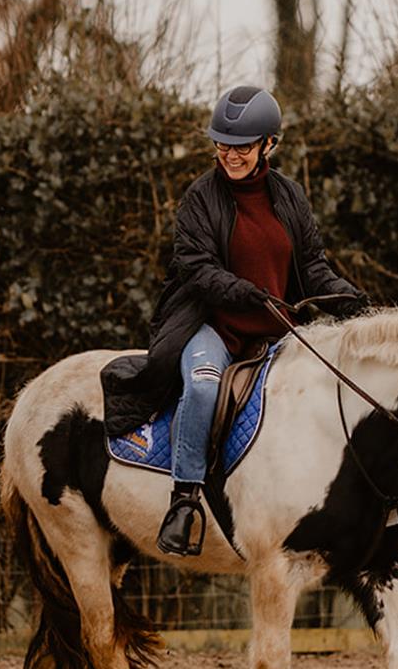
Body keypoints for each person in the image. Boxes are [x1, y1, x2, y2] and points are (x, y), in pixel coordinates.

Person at [100, 85, 367, 556]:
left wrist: (344, 297)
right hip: (214, 329)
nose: (230, 155)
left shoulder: (290, 197)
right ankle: (184, 503)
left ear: (268, 145)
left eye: (241, 146)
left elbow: (313, 266)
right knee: (202, 386)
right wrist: (243, 291)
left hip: (277, 334)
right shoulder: (200, 197)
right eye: (222, 145)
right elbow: (195, 268)